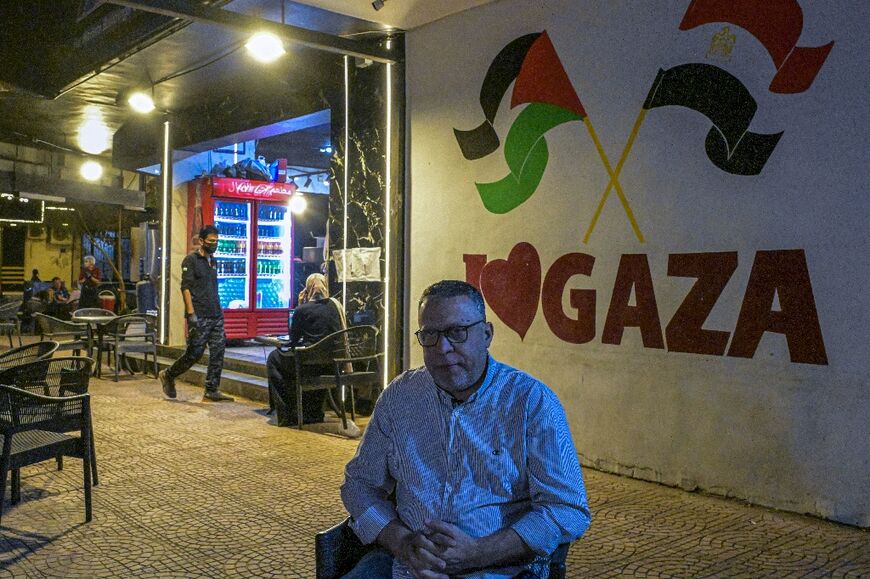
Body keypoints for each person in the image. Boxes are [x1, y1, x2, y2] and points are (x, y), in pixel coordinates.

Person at [341, 280, 591, 579]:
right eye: (430, 335)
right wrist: (402, 542)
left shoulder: (531, 403)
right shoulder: (400, 398)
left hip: (501, 570)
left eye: (457, 332)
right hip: (406, 566)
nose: (443, 349)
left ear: (486, 334)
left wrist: (479, 553)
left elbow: (567, 509)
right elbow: (359, 484)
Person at [158, 225, 233, 402]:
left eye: (216, 241)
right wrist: (191, 314)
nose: (214, 244)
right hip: (199, 314)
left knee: (218, 351)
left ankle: (211, 389)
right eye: (210, 241)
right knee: (194, 353)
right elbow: (185, 287)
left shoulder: (213, 261)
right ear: (201, 241)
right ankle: (168, 375)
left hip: (216, 314)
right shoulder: (190, 260)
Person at [265, 273, 345, 426]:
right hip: (332, 365)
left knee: (274, 359)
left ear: (308, 290)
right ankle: (311, 411)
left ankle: (287, 412)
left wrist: (300, 305)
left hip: (308, 364)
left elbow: (293, 339)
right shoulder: (336, 306)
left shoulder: (303, 310)